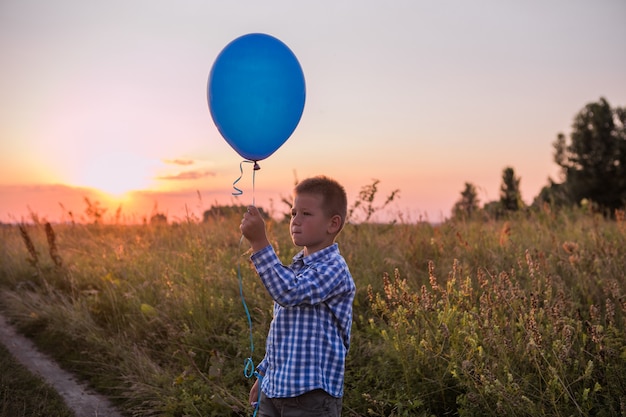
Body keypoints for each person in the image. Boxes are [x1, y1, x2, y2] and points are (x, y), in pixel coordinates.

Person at [240, 175, 356, 417]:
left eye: (306, 214)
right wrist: (264, 374)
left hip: (311, 397)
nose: (295, 221)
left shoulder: (334, 268)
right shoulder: (296, 268)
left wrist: (260, 242)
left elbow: (289, 292)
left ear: (333, 224)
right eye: (293, 213)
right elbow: (282, 334)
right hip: (274, 390)